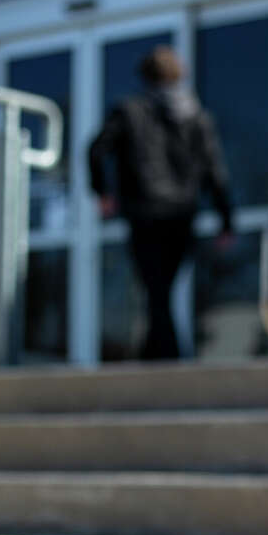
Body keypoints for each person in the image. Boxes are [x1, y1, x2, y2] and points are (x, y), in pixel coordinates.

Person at [87, 45, 234, 360]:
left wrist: (102, 193)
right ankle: (158, 357)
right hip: (182, 214)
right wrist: (226, 220)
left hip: (146, 213)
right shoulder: (196, 116)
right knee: (161, 290)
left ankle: (165, 358)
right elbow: (214, 171)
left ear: (145, 77)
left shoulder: (129, 110)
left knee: (156, 290)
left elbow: (96, 150)